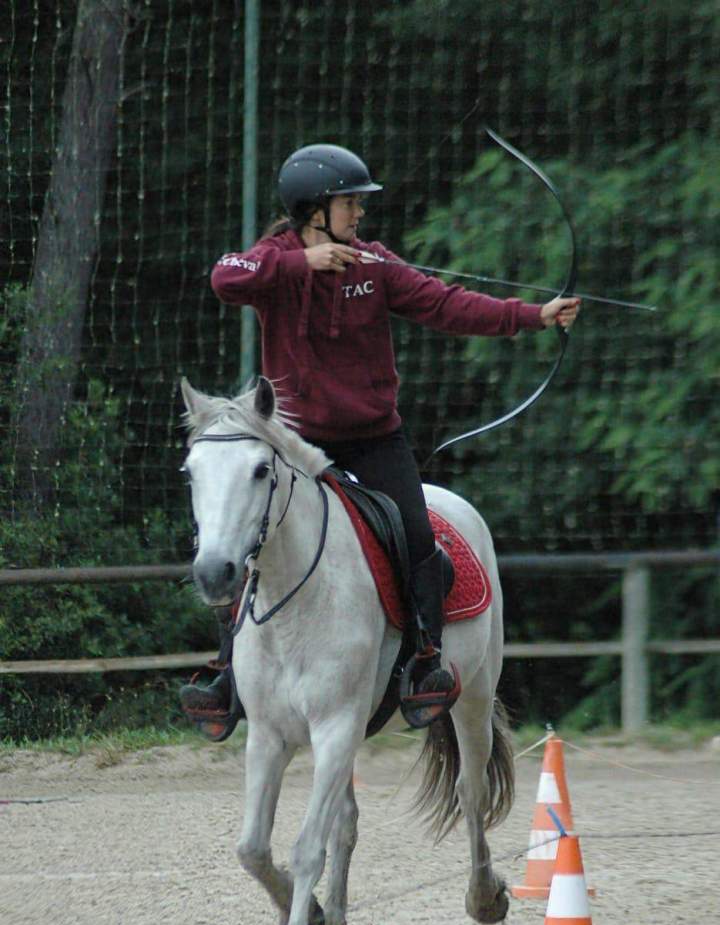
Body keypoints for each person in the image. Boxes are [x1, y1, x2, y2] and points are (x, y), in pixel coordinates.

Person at [180, 143, 580, 738]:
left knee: (416, 537)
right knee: (245, 537)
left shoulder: (374, 265)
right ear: (314, 209)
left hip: (373, 438)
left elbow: (447, 305)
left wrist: (533, 315)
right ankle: (228, 672)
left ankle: (424, 660)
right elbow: (223, 276)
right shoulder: (274, 263)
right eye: (350, 203)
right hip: (296, 444)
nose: (360, 215)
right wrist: (302, 265)